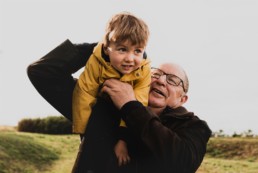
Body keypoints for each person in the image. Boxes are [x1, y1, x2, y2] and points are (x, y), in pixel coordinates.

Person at [27, 40, 211, 173]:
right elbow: (43, 73)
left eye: (173, 80)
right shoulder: (105, 104)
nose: (161, 81)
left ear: (183, 99)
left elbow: (183, 163)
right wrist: (106, 48)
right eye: (155, 74)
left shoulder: (194, 127)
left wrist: (130, 106)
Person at [71, 11, 151, 169]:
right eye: (122, 49)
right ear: (107, 48)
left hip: (125, 116)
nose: (130, 58)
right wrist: (84, 133)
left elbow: (137, 106)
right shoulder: (96, 62)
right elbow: (84, 93)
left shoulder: (144, 69)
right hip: (100, 113)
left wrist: (123, 141)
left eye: (137, 51)